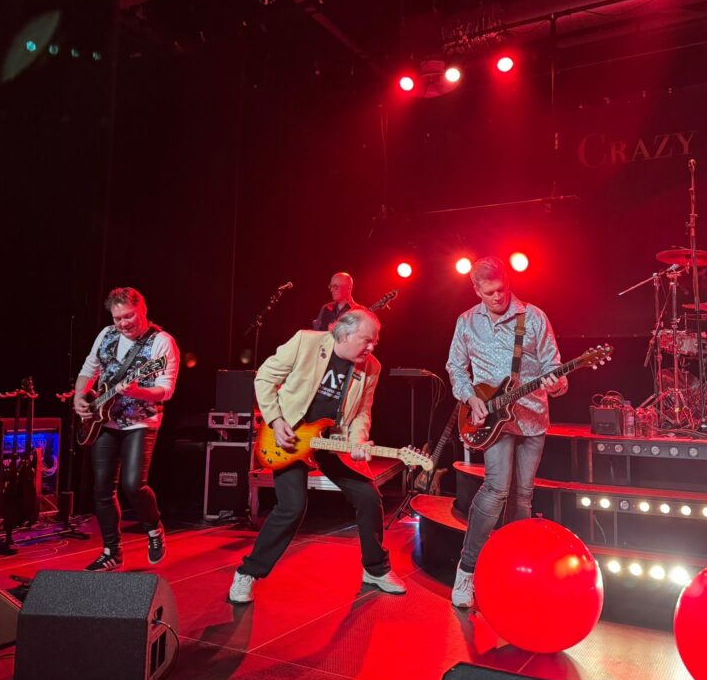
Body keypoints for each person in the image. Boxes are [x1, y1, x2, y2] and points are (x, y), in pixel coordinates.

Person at [229, 309, 406, 603]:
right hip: (289, 437)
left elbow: (362, 411)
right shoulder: (305, 342)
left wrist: (358, 440)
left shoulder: (371, 367)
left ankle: (375, 570)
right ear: (346, 334)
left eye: (375, 341)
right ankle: (247, 573)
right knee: (292, 506)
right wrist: (275, 420)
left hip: (331, 441)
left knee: (368, 497)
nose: (372, 346)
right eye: (367, 340)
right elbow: (264, 380)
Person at [446, 256, 567, 609]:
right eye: (489, 293)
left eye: (501, 290)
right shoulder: (467, 322)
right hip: (491, 419)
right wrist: (470, 397)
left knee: (523, 495)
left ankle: (518, 568)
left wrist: (558, 383)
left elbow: (553, 366)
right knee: (496, 489)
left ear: (508, 284)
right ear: (477, 291)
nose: (497, 297)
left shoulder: (533, 317)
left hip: (532, 416)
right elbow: (455, 366)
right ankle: (467, 570)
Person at [74, 287, 180, 571]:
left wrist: (137, 391)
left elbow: (166, 390)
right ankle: (111, 551)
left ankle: (154, 528)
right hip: (104, 419)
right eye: (118, 318)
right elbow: (89, 368)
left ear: (142, 309)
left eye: (129, 316)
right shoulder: (106, 334)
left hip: (141, 420)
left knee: (134, 484)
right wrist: (79, 397)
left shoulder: (162, 343)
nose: (123, 323)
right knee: (102, 490)